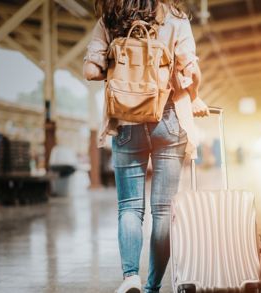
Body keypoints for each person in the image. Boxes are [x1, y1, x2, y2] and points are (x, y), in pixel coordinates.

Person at [83, 1, 209, 292]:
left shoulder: (110, 18)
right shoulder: (176, 18)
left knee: (129, 207)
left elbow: (91, 70)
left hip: (126, 122)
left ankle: (131, 278)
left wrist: (121, 72)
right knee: (163, 210)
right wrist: (195, 96)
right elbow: (192, 72)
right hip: (168, 118)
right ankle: (153, 287)